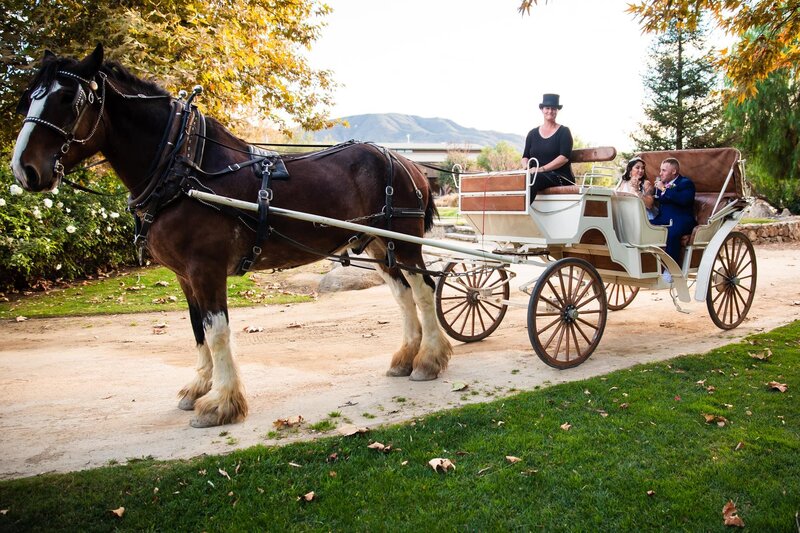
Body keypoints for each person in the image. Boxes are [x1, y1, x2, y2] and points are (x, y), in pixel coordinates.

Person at [521, 93, 575, 202]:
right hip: (537, 175)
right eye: (547, 108)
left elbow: (564, 157)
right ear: (542, 109)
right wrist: (527, 168)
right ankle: (509, 214)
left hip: (559, 176)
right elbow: (525, 156)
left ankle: (520, 214)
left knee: (533, 179)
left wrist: (541, 169)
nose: (550, 111)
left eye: (554, 108)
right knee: (517, 179)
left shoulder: (564, 132)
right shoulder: (532, 133)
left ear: (557, 111)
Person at [650, 157, 696, 277]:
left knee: (672, 232)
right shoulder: (662, 185)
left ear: (674, 171)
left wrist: (664, 189)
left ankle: (671, 270)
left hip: (682, 220)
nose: (660, 173)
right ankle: (649, 265)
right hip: (663, 219)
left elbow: (684, 200)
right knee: (646, 226)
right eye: (660, 170)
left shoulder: (686, 183)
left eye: (664, 170)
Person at [617, 156, 658, 220]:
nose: (641, 170)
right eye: (637, 168)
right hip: (625, 216)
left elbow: (649, 205)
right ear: (630, 169)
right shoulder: (623, 183)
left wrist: (637, 191)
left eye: (642, 168)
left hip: (641, 217)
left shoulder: (646, 184)